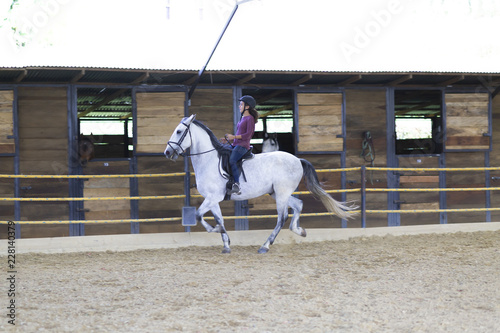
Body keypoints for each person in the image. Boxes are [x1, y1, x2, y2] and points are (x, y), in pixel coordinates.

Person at [225, 95, 259, 195]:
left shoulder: (250, 119)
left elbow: (248, 135)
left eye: (241, 104)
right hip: (236, 144)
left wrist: (233, 137)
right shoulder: (243, 118)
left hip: (243, 146)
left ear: (247, 107)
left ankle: (237, 185)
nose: (239, 106)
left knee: (232, 160)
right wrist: (229, 140)